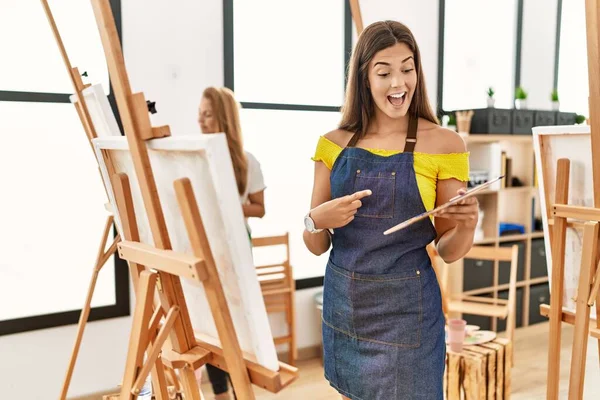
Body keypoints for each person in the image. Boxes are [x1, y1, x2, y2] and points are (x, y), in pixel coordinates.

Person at [303, 21, 478, 400]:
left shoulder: (444, 143)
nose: (399, 84)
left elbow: (448, 251)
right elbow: (315, 244)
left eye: (407, 68)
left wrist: (467, 226)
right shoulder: (333, 144)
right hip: (346, 308)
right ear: (364, 78)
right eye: (384, 72)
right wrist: (317, 220)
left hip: (407, 316)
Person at [197, 86, 266, 399]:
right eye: (199, 114)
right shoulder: (195, 156)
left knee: (238, 325)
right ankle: (221, 392)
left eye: (208, 114)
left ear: (223, 118)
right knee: (211, 325)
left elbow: (259, 208)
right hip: (205, 247)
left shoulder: (246, 161)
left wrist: (226, 204)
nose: (201, 120)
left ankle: (241, 388)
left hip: (236, 250)